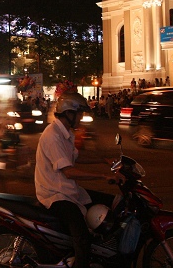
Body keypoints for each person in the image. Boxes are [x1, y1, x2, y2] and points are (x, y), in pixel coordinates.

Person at [34, 92, 124, 268]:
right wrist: (103, 176)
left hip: (68, 190)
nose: (82, 118)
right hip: (55, 194)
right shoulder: (52, 136)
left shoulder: (65, 133)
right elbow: (69, 171)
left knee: (110, 203)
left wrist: (104, 160)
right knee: (82, 238)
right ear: (69, 113)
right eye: (80, 114)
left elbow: (76, 157)